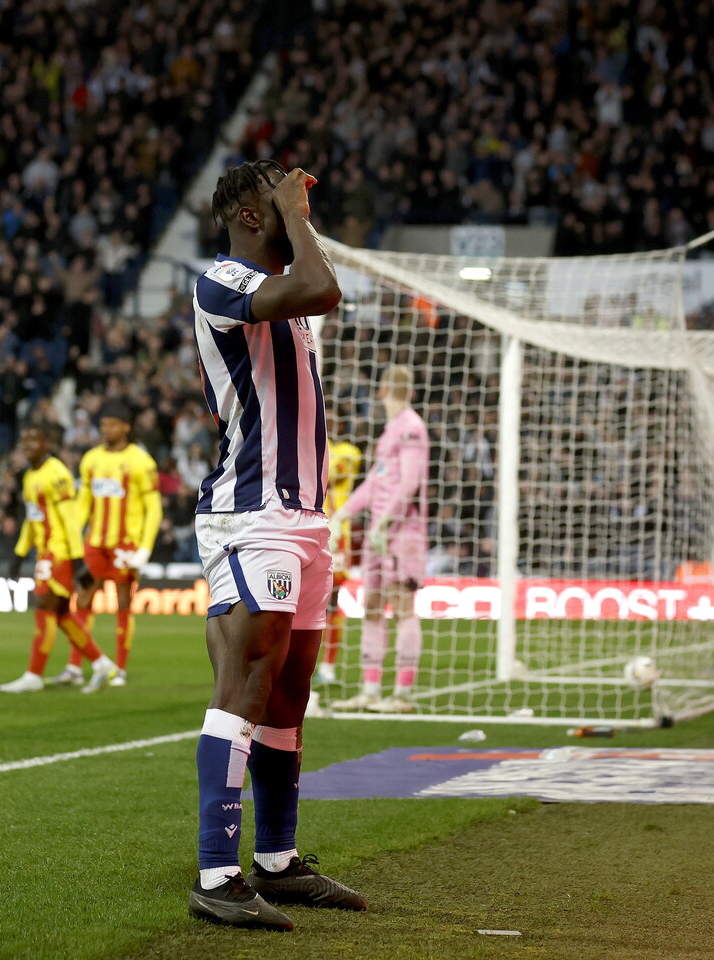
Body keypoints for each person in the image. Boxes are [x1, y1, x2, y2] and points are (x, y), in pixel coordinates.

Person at [187, 159, 364, 930]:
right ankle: (216, 874)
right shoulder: (223, 280)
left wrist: (293, 214)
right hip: (253, 513)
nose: (296, 206)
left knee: (291, 690)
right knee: (250, 679)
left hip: (307, 518)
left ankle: (277, 861)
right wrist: (298, 210)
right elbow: (324, 287)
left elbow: (315, 289)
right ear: (249, 215)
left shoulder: (283, 296)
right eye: (277, 198)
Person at [330, 366, 430, 714]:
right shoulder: (391, 430)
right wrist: (342, 515)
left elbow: (410, 483)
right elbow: (375, 481)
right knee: (372, 606)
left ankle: (402, 695)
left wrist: (386, 521)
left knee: (402, 607)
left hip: (401, 532)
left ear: (382, 390)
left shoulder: (412, 427)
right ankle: (370, 690)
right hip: (377, 533)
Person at [47, 399, 161, 688]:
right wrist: (71, 537)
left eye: (112, 425)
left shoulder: (141, 461)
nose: (106, 430)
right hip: (94, 544)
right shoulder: (91, 459)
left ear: (126, 427)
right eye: (103, 425)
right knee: (82, 601)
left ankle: (119, 668)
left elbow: (153, 508)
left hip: (125, 546)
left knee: (123, 604)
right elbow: (83, 504)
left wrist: (145, 549)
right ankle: (74, 667)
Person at [0, 421, 119, 694]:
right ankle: (101, 664)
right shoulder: (30, 476)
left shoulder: (57, 474)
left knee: (43, 607)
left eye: (34, 440)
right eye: (24, 441)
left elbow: (70, 520)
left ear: (46, 444)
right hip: (44, 553)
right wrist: (19, 553)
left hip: (59, 553)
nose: (27, 446)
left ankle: (33, 675)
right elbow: (32, 519)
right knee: (62, 614)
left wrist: (77, 559)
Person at [314, 415, 362, 687]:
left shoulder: (349, 453)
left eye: (333, 419)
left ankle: (329, 666)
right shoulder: (310, 446)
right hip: (308, 530)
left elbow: (328, 476)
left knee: (331, 603)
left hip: (337, 535)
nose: (327, 422)